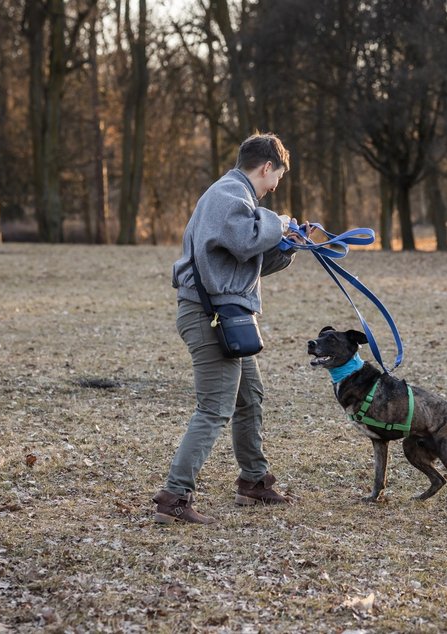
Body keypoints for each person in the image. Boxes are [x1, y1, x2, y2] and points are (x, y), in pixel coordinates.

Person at [153, 133, 303, 525]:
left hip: (227, 317)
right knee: (215, 407)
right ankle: (174, 497)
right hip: (211, 318)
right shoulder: (228, 195)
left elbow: (242, 259)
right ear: (266, 168)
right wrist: (280, 222)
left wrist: (285, 247)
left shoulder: (237, 200)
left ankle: (253, 482)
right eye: (277, 179)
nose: (274, 189)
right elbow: (245, 238)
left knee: (249, 395)